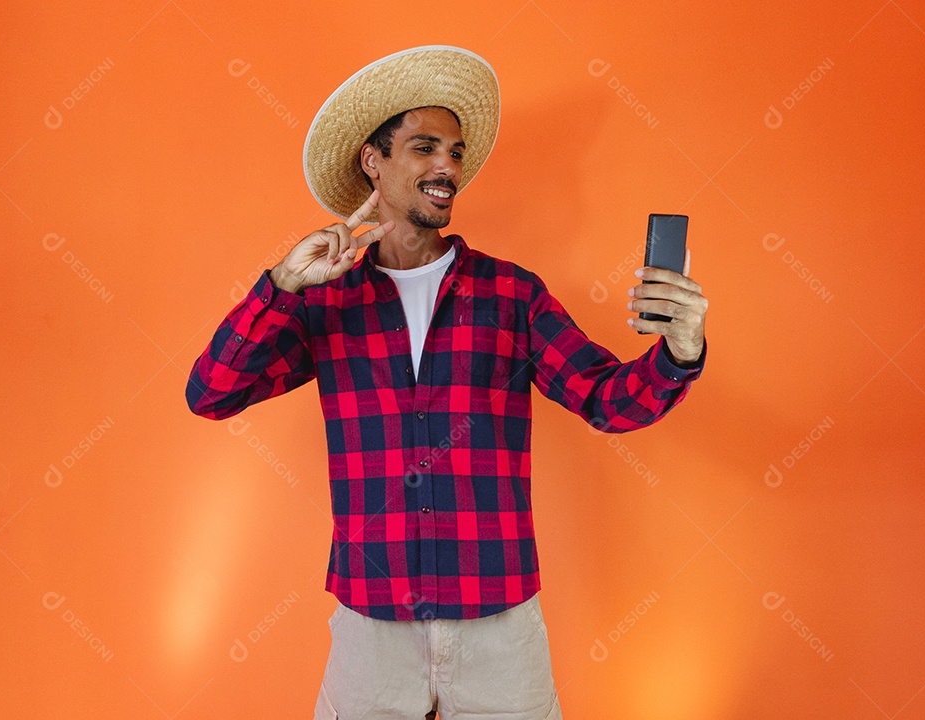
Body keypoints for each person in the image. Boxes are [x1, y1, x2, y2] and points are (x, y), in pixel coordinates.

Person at [185, 45, 707, 720]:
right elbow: (211, 393)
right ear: (373, 161)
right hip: (371, 623)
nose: (446, 168)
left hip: (498, 624)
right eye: (424, 147)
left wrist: (680, 350)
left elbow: (608, 403)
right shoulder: (325, 300)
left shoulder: (512, 295)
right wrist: (283, 284)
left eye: (455, 152)